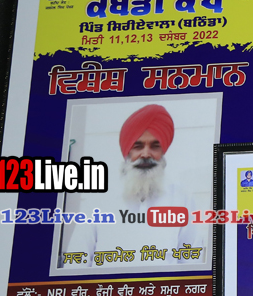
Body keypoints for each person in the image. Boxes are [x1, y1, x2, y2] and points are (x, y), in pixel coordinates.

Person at [61, 103, 207, 266]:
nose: (146, 154)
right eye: (138, 146)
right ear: (127, 152)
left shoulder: (182, 200)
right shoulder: (100, 199)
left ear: (162, 152)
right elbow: (76, 261)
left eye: (155, 146)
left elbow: (192, 263)